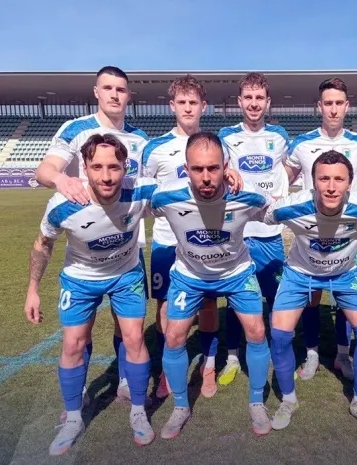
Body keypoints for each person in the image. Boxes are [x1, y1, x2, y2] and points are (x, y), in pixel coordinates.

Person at [24, 134, 157, 455]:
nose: (106, 175)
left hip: (126, 275)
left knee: (134, 338)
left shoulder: (141, 192)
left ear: (126, 167)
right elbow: (43, 244)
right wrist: (32, 290)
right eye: (97, 167)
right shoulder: (63, 205)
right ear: (85, 168)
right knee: (73, 343)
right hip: (80, 280)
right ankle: (73, 418)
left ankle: (138, 411)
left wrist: (227, 173)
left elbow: (190, 187)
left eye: (114, 167)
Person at [35, 66, 149, 402]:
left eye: (121, 89)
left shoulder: (140, 139)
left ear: (128, 96)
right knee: (78, 335)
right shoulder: (77, 128)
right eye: (107, 88)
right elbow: (44, 170)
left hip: (127, 244)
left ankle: (126, 380)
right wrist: (62, 180)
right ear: (96, 92)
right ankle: (79, 390)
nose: (114, 94)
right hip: (86, 244)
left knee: (126, 325)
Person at [150, 132, 272, 438]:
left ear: (225, 167)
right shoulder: (165, 196)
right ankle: (181, 406)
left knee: (257, 331)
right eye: (198, 169)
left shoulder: (247, 194)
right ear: (186, 169)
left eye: (213, 168)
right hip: (189, 276)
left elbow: (275, 211)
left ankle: (257, 402)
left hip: (236, 273)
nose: (206, 177)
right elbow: (126, 203)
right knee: (174, 336)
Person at [265, 150, 357, 432]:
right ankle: (289, 400)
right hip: (299, 274)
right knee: (280, 336)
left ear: (350, 183)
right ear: (313, 182)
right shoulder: (292, 207)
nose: (331, 187)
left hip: (345, 274)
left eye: (339, 179)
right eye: (324, 179)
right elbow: (263, 212)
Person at [283, 77, 357, 380]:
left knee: (345, 297)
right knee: (311, 297)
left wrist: (353, 195)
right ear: (319, 106)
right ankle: (311, 353)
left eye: (338, 103)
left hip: (346, 236)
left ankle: (342, 354)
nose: (333, 109)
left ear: (347, 106)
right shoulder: (302, 143)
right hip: (310, 235)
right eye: (328, 103)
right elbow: (285, 177)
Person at [142, 75, 224, 399]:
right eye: (182, 102)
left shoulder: (217, 144)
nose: (188, 108)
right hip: (167, 242)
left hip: (205, 240)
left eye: (194, 102)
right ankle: (168, 369)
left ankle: (208, 365)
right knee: (165, 308)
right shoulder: (155, 149)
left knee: (208, 304)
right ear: (172, 106)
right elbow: (145, 195)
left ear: (204, 106)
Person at [217, 72, 290, 387]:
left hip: (270, 233)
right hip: (239, 232)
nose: (254, 103)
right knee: (236, 297)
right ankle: (233, 357)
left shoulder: (280, 136)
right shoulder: (226, 135)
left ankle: (275, 351)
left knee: (274, 297)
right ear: (239, 101)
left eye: (259, 98)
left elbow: (289, 168)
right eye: (248, 97)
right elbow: (219, 169)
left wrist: (280, 195)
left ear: (268, 102)